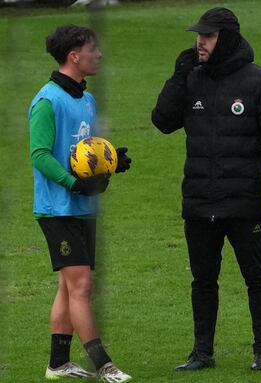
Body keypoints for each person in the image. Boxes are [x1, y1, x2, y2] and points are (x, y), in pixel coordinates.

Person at [151, 7, 261, 371]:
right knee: (203, 280)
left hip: (245, 203)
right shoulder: (192, 78)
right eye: (198, 35)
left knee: (256, 276)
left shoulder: (260, 82)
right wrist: (178, 77)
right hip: (199, 203)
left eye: (208, 36)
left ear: (227, 39)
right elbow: (162, 121)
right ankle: (202, 353)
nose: (199, 41)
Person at [28, 25, 131, 382]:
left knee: (68, 287)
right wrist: (75, 184)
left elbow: (84, 151)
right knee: (82, 287)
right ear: (74, 55)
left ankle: (57, 364)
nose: (99, 55)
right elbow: (40, 155)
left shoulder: (86, 99)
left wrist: (112, 160)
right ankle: (105, 365)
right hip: (57, 209)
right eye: (93, 49)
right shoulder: (47, 101)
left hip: (83, 208)